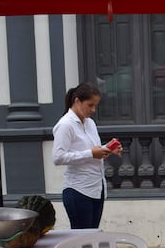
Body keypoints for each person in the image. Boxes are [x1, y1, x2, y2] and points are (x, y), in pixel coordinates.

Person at [52, 82, 122, 229]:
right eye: (90, 105)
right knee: (81, 241)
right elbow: (58, 157)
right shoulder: (65, 125)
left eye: (95, 105)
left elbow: (92, 151)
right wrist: (91, 153)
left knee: (91, 239)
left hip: (97, 187)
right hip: (78, 189)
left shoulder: (90, 123)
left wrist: (107, 149)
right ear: (77, 101)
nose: (93, 110)